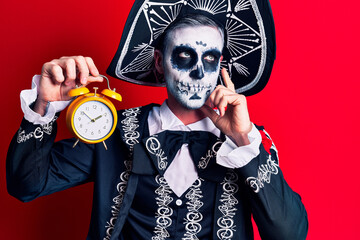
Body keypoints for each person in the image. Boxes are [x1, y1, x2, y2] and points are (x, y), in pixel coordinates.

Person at [7, 4, 308, 240]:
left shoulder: (246, 143)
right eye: (185, 56)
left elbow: (289, 234)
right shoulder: (113, 131)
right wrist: (44, 106)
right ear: (159, 64)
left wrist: (243, 141)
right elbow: (26, 185)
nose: (199, 74)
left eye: (211, 59)